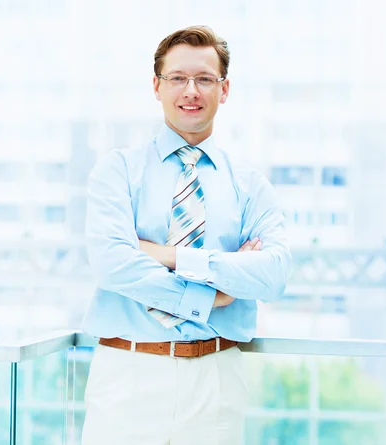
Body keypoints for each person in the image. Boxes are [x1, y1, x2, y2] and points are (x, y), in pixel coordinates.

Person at [81, 25, 291, 445]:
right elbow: (114, 264)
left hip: (216, 378)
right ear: (157, 87)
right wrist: (214, 295)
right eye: (177, 78)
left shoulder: (249, 184)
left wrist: (171, 256)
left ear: (224, 89)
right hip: (128, 371)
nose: (190, 90)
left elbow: (272, 275)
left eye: (204, 79)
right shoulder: (118, 170)